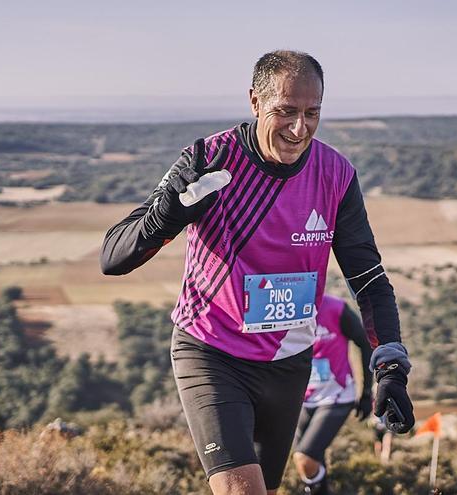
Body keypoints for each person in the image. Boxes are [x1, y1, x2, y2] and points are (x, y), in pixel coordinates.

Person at [100, 49, 415, 495]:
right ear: (254, 102)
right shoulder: (209, 159)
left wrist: (390, 368)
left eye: (312, 113)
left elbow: (368, 279)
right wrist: (167, 215)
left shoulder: (336, 174)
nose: (299, 128)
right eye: (285, 111)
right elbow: (113, 257)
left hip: (287, 361)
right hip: (211, 350)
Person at [292, 294, 373, 494]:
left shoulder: (336, 309)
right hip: (302, 399)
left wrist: (366, 393)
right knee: (313, 460)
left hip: (337, 396)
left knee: (305, 459)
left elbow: (365, 343)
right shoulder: (285, 310)